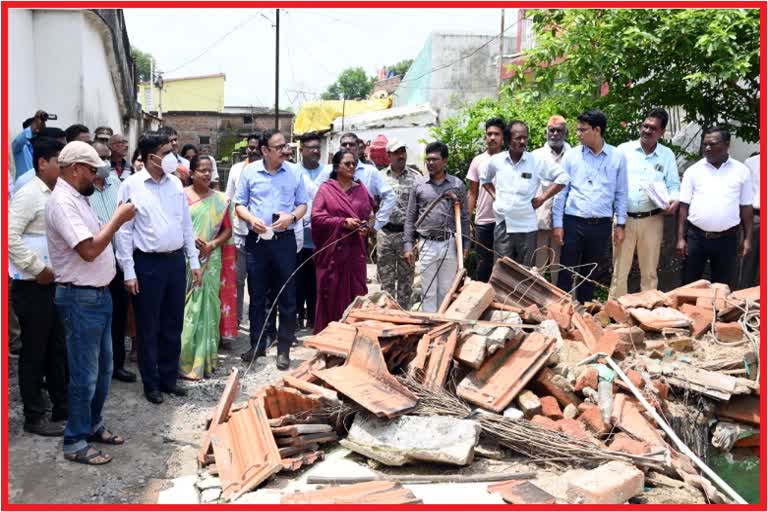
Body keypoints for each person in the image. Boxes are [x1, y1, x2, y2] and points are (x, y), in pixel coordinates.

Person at [46, 141, 136, 465]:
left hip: (97, 295)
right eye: (91, 171)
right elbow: (88, 250)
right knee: (85, 374)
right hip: (80, 298)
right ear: (75, 169)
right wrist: (118, 219)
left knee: (103, 370)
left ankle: (92, 425)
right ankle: (75, 441)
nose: (96, 177)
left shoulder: (78, 198)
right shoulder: (62, 203)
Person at [115, 132, 202, 404]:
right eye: (166, 153)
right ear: (151, 156)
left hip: (175, 262)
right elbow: (124, 233)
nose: (172, 158)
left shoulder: (176, 184)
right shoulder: (130, 186)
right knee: (148, 325)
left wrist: (194, 260)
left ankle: (168, 379)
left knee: (172, 323)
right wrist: (128, 271)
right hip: (148, 263)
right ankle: (150, 383)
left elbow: (185, 224)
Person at [8, 137, 68, 436]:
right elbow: (9, 237)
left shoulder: (57, 192)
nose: (64, 166)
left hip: (55, 283)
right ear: (42, 163)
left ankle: (61, 406)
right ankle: (34, 416)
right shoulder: (29, 193)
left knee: (56, 347)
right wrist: (37, 268)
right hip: (33, 285)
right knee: (34, 351)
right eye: (59, 160)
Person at [235, 129, 308, 370]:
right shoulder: (249, 172)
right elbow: (239, 205)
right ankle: (256, 345)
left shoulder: (294, 172)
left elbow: (302, 205)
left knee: (287, 295)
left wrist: (292, 217)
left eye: (285, 146)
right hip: (257, 242)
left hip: (284, 241)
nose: (285, 151)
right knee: (256, 296)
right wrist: (250, 219)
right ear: (265, 150)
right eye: (279, 147)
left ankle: (284, 350)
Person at [553, 109, 628, 303]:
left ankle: (585, 313)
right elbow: (561, 191)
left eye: (582, 130)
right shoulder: (571, 156)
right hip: (573, 221)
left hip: (601, 224)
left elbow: (621, 193)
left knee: (590, 272)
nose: (577, 134)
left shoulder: (617, 156)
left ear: (597, 130)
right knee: (566, 270)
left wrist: (620, 224)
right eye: (577, 129)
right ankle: (562, 311)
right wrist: (558, 224)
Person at [611, 109, 680, 297]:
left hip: (653, 219)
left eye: (653, 128)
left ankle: (648, 313)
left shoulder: (667, 155)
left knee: (649, 273)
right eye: (645, 126)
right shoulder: (623, 150)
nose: (647, 131)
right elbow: (611, 181)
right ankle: (615, 314)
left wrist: (674, 200)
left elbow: (674, 185)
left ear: (662, 132)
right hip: (623, 219)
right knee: (619, 272)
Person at [482, 120, 570, 267]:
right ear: (508, 139)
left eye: (525, 137)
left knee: (524, 272)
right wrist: (496, 197)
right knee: (502, 269)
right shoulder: (497, 160)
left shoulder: (535, 161)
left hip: (527, 227)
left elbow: (563, 177)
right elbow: (484, 179)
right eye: (518, 138)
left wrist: (542, 198)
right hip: (503, 225)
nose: (523, 141)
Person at [178, 156, 234, 379]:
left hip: (211, 258)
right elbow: (175, 224)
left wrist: (212, 244)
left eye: (210, 170)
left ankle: (204, 361)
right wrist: (190, 240)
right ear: (191, 173)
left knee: (209, 307)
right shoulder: (180, 197)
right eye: (202, 170)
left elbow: (227, 230)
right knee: (188, 308)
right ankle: (184, 360)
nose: (207, 174)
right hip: (186, 258)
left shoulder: (220, 200)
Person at [677, 127, 753, 285]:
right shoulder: (693, 171)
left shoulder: (741, 171)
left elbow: (746, 207)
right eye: (705, 144)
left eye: (712, 144)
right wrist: (680, 239)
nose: (707, 148)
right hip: (696, 238)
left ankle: (718, 311)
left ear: (726, 144)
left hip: (728, 239)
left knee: (723, 287)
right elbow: (683, 207)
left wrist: (747, 239)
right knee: (689, 285)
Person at [312, 150, 375, 332]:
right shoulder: (326, 189)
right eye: (347, 163)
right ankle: (330, 336)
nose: (351, 167)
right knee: (331, 295)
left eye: (354, 164)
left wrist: (366, 228)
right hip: (333, 254)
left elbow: (370, 215)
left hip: (355, 253)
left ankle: (354, 337)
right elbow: (316, 218)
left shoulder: (361, 189)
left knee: (356, 294)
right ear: (336, 166)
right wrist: (342, 222)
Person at [89, 142, 136, 384]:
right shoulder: (82, 192)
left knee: (117, 316)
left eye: (108, 159)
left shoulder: (116, 184)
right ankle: (94, 369)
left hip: (116, 262)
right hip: (92, 263)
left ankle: (117, 365)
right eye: (101, 158)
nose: (106, 164)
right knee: (94, 320)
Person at [404, 142, 470, 312]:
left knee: (446, 290)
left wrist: (465, 245)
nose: (431, 163)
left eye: (435, 159)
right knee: (428, 291)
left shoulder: (457, 185)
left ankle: (443, 328)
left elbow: (463, 218)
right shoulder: (419, 184)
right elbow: (411, 216)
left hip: (449, 243)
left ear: (445, 161)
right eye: (428, 159)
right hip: (427, 244)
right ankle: (429, 329)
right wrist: (408, 245)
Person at [317, 132, 395, 233]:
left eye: (352, 144)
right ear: (339, 147)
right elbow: (314, 195)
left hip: (360, 232)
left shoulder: (370, 171)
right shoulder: (328, 170)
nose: (347, 147)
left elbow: (390, 196)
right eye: (344, 144)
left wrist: (376, 225)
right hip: (333, 231)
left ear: (358, 148)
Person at [377, 138, 420, 309]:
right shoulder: (379, 177)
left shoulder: (416, 178)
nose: (400, 156)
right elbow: (373, 202)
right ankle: (387, 316)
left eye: (402, 151)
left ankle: (404, 317)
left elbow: (421, 206)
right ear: (388, 155)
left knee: (406, 282)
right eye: (396, 152)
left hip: (406, 237)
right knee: (385, 281)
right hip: (385, 235)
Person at [225, 134, 261, 329]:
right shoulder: (236, 169)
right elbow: (228, 200)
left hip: (261, 236)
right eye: (250, 147)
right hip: (239, 234)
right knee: (237, 281)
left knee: (258, 282)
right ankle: (236, 321)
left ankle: (257, 322)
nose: (252, 150)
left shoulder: (268, 171)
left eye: (256, 147)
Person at [531, 116, 572, 283]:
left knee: (559, 266)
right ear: (545, 132)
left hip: (564, 220)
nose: (555, 134)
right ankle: (535, 304)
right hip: (539, 218)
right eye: (551, 130)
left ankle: (559, 304)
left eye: (559, 130)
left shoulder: (573, 155)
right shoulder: (535, 156)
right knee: (538, 266)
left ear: (566, 133)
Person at [466, 117, 505, 282]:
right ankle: (481, 298)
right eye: (489, 134)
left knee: (504, 263)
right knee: (484, 262)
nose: (492, 137)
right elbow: (472, 192)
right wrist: (467, 220)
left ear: (503, 138)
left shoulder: (510, 160)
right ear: (485, 137)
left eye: (496, 134)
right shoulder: (478, 161)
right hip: (483, 221)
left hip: (505, 220)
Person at [295, 132, 324, 329]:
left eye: (317, 147)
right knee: (298, 280)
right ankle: (297, 319)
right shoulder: (292, 171)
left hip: (321, 237)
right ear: (302, 150)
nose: (315, 151)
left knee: (317, 281)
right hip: (297, 236)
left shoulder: (328, 172)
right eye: (310, 147)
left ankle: (315, 319)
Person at [14, 127, 68, 192]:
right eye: (59, 147)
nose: (65, 152)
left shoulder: (68, 181)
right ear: (42, 163)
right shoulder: (24, 182)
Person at [737, 152, 761, 288]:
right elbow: (745, 195)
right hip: (757, 216)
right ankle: (744, 303)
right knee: (748, 264)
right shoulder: (751, 162)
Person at [12, 110, 48, 181]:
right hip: (23, 188)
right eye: (35, 127)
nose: (37, 130)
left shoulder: (40, 147)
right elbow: (19, 140)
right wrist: (33, 125)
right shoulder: (19, 147)